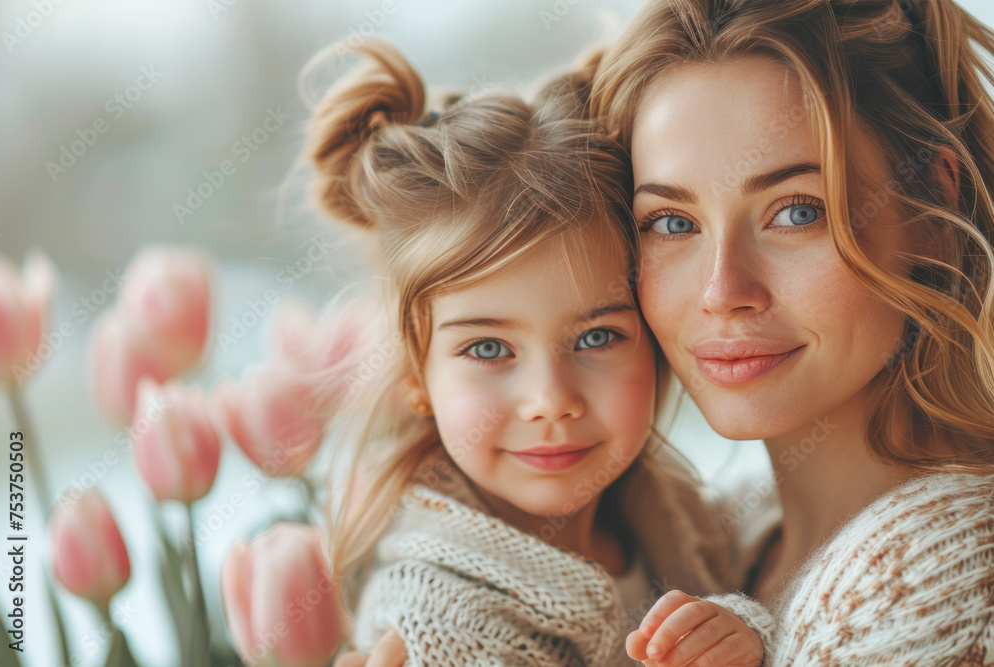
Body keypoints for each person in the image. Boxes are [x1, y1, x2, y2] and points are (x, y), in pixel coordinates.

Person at [344, 0, 994, 665]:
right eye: (672, 222)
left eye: (796, 211)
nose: (722, 292)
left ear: (932, 211)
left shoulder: (937, 580)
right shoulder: (724, 535)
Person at [304, 39, 766, 666]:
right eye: (489, 347)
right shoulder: (437, 628)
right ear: (418, 371)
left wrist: (749, 634)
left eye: (597, 337)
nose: (551, 401)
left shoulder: (677, 520)